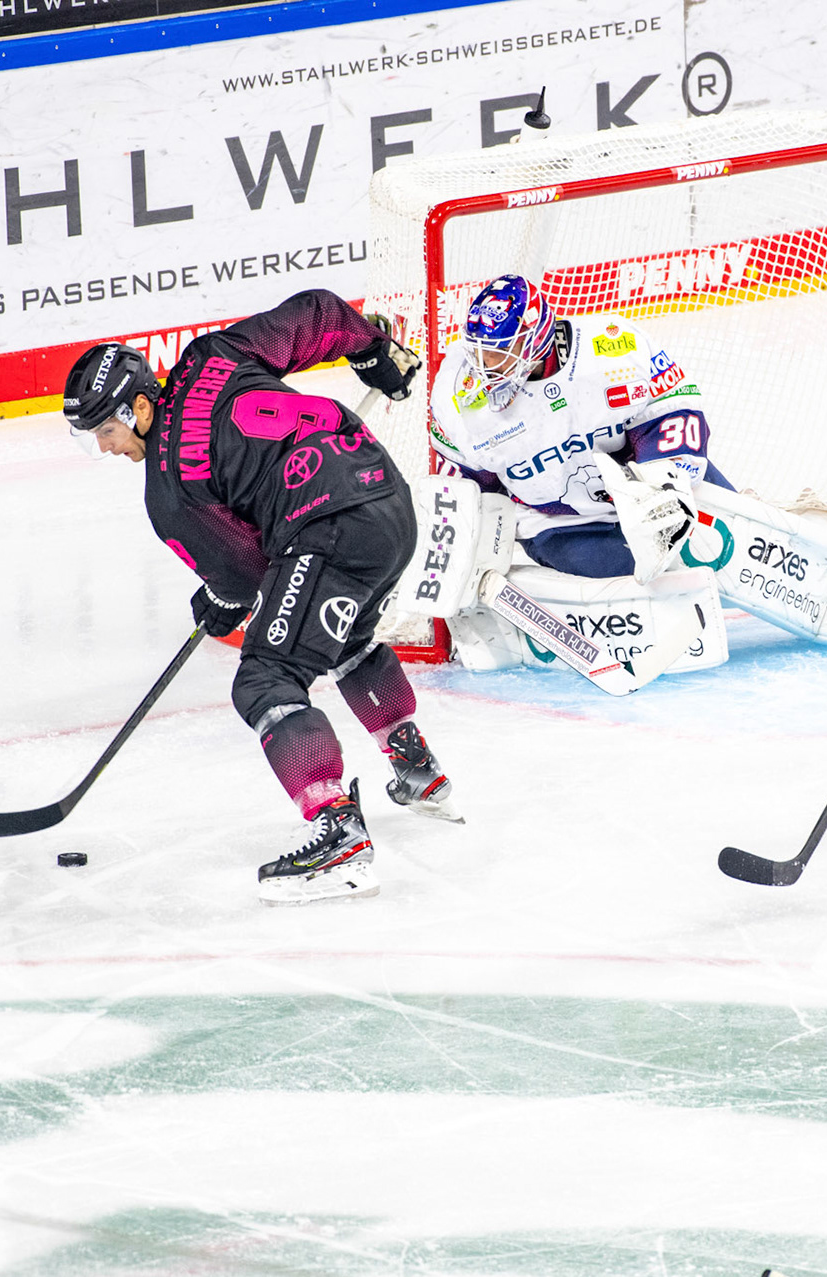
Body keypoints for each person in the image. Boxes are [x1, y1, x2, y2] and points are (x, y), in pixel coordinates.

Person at [60, 288, 454, 906]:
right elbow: (317, 314)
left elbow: (246, 577)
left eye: (106, 430)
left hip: (329, 529)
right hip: (391, 506)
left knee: (267, 677)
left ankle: (339, 835)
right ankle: (416, 767)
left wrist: (219, 599)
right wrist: (373, 349)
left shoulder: (169, 491)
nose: (106, 447)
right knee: (338, 634)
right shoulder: (211, 356)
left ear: (139, 406)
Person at [428, 273, 729, 584]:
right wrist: (470, 546)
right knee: (642, 583)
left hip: (652, 489)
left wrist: (662, 485)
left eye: (500, 351)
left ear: (536, 340)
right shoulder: (456, 397)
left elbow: (672, 412)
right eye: (479, 351)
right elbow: (473, 487)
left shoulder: (613, 347)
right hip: (562, 522)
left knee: (739, 541)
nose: (485, 365)